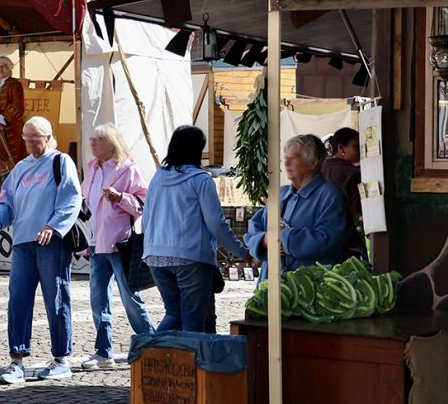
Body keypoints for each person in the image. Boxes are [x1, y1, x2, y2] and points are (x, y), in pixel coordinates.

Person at [0, 116, 82, 384]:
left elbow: (72, 199)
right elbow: (7, 200)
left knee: (56, 298)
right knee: (18, 299)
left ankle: (61, 359)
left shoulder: (61, 161)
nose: (29, 142)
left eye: (35, 138)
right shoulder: (20, 168)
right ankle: (16, 361)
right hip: (23, 243)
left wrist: (53, 226)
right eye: (26, 138)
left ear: (48, 137)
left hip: (51, 243)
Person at [142, 125, 249, 333]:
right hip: (191, 258)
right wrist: (241, 252)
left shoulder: (158, 177)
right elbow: (216, 223)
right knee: (192, 322)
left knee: (173, 314)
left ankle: (149, 349)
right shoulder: (201, 180)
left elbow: (146, 219)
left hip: (156, 256)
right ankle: (151, 348)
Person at [80, 124, 154, 369]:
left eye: (99, 139)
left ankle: (150, 343)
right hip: (96, 243)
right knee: (98, 299)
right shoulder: (91, 168)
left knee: (130, 297)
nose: (93, 143)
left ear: (111, 143)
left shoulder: (127, 169)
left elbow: (144, 203)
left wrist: (120, 197)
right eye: (92, 139)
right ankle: (103, 352)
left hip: (120, 243)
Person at [245, 134, 350, 279]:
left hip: (309, 284)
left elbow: (326, 239)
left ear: (313, 163)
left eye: (294, 158)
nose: (286, 163)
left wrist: (283, 238)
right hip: (271, 283)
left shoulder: (329, 195)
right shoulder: (279, 194)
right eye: (285, 157)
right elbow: (253, 229)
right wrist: (264, 240)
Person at [322, 127, 366, 258]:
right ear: (341, 148)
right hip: (348, 242)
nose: (360, 151)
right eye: (356, 146)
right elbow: (358, 212)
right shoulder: (352, 174)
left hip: (323, 240)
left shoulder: (320, 170)